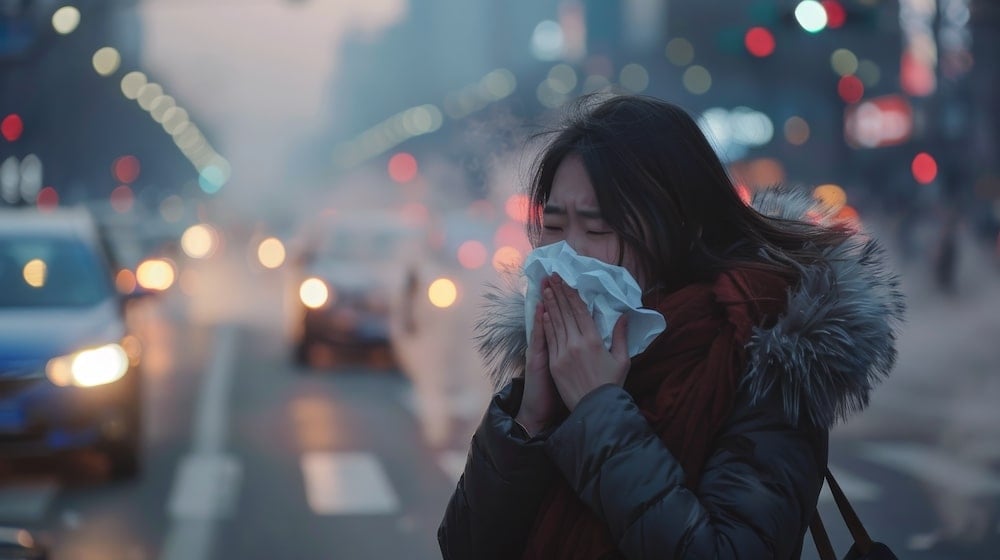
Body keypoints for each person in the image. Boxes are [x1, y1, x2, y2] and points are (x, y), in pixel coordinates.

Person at [437, 93, 905, 559]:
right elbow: (464, 547)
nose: (568, 256)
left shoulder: (757, 359)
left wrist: (598, 411)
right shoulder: (566, 359)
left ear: (678, 227)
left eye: (597, 230)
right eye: (555, 228)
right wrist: (531, 416)